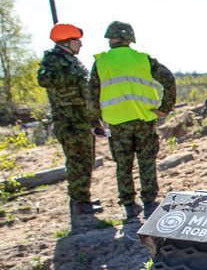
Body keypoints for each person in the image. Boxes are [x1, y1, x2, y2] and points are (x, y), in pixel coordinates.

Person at [88, 21, 175, 222]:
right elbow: (168, 78)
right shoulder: (142, 59)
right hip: (144, 119)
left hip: (117, 123)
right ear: (129, 38)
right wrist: (164, 107)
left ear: (111, 38)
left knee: (123, 165)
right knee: (146, 162)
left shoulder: (101, 62)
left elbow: (92, 94)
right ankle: (150, 202)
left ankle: (128, 206)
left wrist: (95, 122)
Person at [36, 23, 104, 220]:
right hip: (69, 123)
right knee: (77, 162)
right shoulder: (54, 60)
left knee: (86, 161)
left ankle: (84, 199)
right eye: (78, 41)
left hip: (81, 121)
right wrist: (70, 76)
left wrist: (94, 121)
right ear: (67, 41)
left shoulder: (70, 60)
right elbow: (44, 79)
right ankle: (79, 203)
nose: (81, 45)